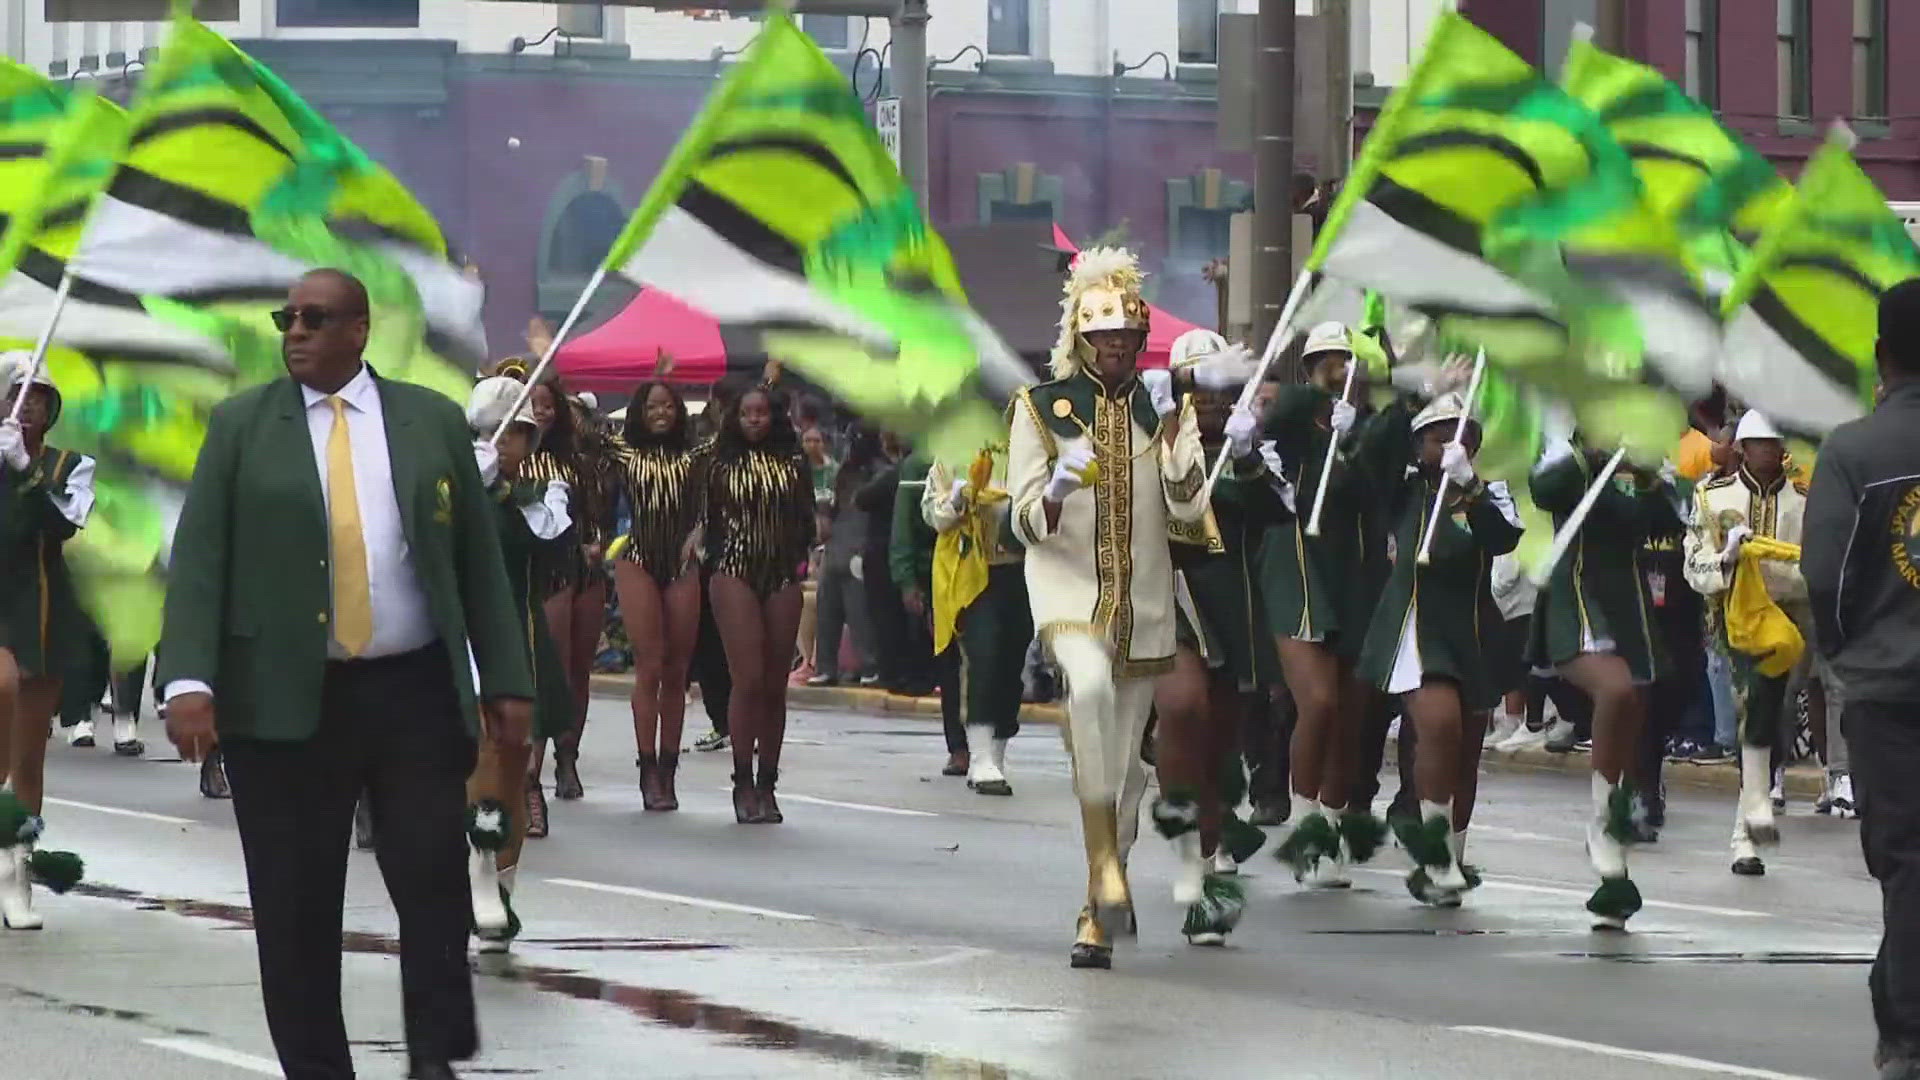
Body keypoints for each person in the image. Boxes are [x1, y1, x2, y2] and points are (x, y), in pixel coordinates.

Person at [159, 269, 534, 1080]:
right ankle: (317, 1068)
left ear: (359, 330)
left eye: (314, 318)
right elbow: (201, 561)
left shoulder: (428, 421)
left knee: (432, 874)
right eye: (286, 317)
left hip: (413, 691)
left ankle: (433, 1054)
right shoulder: (240, 427)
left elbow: (479, 568)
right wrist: (188, 680)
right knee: (296, 906)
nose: (294, 331)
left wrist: (507, 683)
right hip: (283, 700)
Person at [1006, 247, 1208, 969]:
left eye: (1125, 340)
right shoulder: (1040, 408)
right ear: (1081, 340)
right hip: (1069, 599)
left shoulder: (1163, 412)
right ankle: (1105, 875)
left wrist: (1190, 468)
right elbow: (1017, 522)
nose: (1115, 350)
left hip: (1146, 605)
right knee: (1086, 685)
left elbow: (1190, 521)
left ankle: (1100, 904)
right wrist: (1056, 490)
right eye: (1102, 340)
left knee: (1125, 769)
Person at [1805, 278, 1920, 1080]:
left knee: (1906, 858)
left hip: (1887, 691)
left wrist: (1853, 656)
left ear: (1880, 355)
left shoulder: (1851, 451)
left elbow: (1826, 581)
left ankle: (1907, 1031)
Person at [1356, 388, 1522, 906]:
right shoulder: (1402, 491)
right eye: (1436, 436)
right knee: (1440, 724)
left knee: (1466, 750)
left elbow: (1502, 538)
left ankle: (1449, 854)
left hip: (1471, 630)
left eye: (1460, 435)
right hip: (1413, 627)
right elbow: (1370, 456)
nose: (1449, 444)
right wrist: (1405, 399)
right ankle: (1433, 851)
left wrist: (1470, 486)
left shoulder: (1489, 493)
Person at [1149, 330, 1275, 941]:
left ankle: (1211, 849)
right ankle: (1190, 864)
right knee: (1183, 706)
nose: (1212, 400)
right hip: (1162, 599)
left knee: (1220, 740)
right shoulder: (1147, 439)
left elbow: (1283, 512)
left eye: (1223, 389)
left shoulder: (1247, 450)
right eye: (1200, 386)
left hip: (1227, 607)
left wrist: (1248, 457)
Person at [1527, 431, 1679, 930]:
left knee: (1633, 711)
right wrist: (1586, 456)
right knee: (1613, 690)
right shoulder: (1564, 454)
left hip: (1627, 604)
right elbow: (1544, 489)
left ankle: (1613, 874)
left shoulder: (1629, 464)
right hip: (1576, 597)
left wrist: (1653, 477)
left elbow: (1652, 523)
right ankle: (1602, 824)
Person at [1258, 322, 1386, 887]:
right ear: (1310, 367)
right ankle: (1306, 827)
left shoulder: (1364, 431)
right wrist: (1319, 402)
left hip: (1354, 575)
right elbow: (1279, 411)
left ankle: (1331, 828)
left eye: (1348, 360)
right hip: (1296, 568)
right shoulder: (1292, 425)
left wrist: (1364, 436)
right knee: (1322, 704)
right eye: (1330, 360)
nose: (1342, 369)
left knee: (1353, 717)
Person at [1683, 409, 1828, 875]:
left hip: (1792, 620)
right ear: (1743, 446)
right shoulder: (1712, 495)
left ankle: (1758, 802)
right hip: (1737, 619)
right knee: (1754, 707)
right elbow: (1693, 560)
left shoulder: (1807, 500)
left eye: (1775, 441)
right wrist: (1726, 557)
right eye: (1760, 442)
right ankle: (1745, 831)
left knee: (1775, 713)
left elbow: (1820, 563)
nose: (1770, 449)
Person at [464, 378, 572, 954]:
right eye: (484, 433)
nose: (499, 443)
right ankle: (480, 868)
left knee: (516, 770)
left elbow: (553, 546)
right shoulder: (451, 490)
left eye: (512, 432)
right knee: (481, 766)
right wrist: (469, 489)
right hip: (463, 645)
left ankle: (502, 886)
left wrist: (504, 493)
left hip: (521, 643)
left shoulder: (541, 496)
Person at [0, 354, 95, 930]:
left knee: (28, 756)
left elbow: (62, 525)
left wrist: (26, 474)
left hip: (40, 610)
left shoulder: (70, 465)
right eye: (19, 391)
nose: (30, 402)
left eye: (41, 394)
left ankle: (16, 879)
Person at [705, 384, 814, 823]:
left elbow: (806, 514)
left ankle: (768, 783)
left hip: (783, 571)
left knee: (774, 684)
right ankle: (742, 781)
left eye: (762, 412)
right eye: (746, 412)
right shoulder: (717, 459)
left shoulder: (793, 460)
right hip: (733, 569)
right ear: (734, 416)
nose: (754, 419)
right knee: (747, 679)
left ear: (774, 417)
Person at [521, 371, 616, 814]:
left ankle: (568, 757)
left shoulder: (575, 458)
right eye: (533, 404)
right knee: (549, 667)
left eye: (548, 405)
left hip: (585, 569)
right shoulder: (507, 457)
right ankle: (529, 773)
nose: (541, 412)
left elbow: (598, 507)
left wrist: (594, 543)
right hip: (543, 571)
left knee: (580, 668)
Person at [923, 430, 1033, 798]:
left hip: (1022, 569)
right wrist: (957, 498)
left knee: (1010, 665)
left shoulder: (1030, 449)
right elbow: (933, 514)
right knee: (982, 658)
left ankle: (997, 753)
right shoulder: (950, 451)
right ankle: (980, 756)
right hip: (971, 571)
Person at [613, 380, 706, 811]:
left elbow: (713, 501)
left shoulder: (695, 457)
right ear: (639, 411)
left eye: (669, 405)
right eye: (653, 406)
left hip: (682, 563)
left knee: (677, 668)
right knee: (649, 663)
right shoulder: (623, 453)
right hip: (638, 559)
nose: (662, 412)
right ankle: (646, 766)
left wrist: (701, 533)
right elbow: (580, 433)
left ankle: (669, 767)